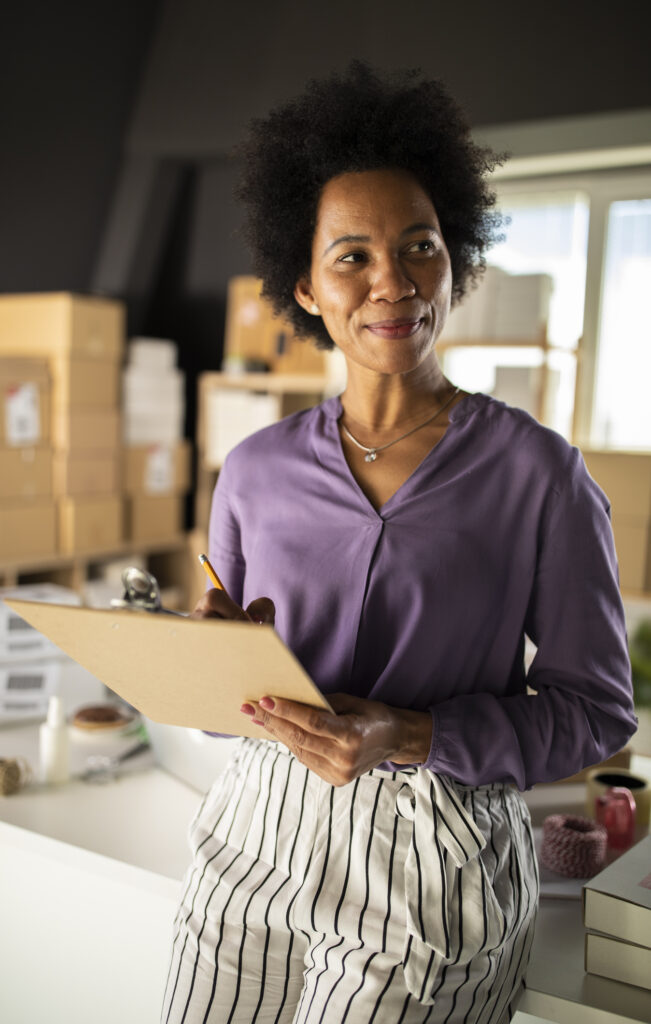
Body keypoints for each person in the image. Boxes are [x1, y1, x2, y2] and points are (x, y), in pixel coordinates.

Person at [161, 63, 637, 1024]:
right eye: (352, 256)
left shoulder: (538, 474)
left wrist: (411, 733)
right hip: (254, 833)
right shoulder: (252, 472)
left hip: (433, 859)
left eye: (419, 246)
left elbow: (594, 711)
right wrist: (213, 664)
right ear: (304, 284)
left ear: (454, 259)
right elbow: (226, 714)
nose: (394, 282)